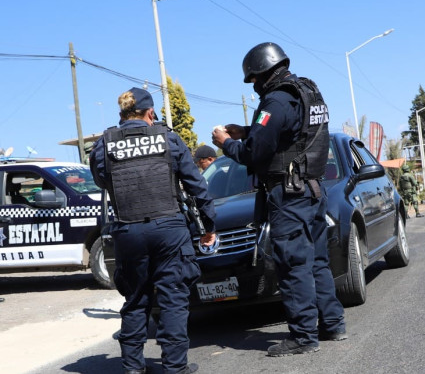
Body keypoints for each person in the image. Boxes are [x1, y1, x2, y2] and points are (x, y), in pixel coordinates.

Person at [211, 42, 346, 357]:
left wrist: (226, 143)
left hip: (288, 194)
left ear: (263, 73)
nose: (254, 86)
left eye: (254, 80)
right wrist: (248, 130)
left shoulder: (276, 100)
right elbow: (291, 135)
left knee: (292, 264)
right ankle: (332, 324)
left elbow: (254, 154)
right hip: (312, 189)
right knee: (317, 261)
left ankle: (303, 336)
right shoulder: (306, 92)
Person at [89, 87, 216, 374]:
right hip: (169, 228)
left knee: (135, 300)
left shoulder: (104, 143)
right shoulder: (167, 138)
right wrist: (208, 227)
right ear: (149, 113)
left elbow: (101, 181)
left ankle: (133, 368)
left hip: (128, 230)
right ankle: (174, 368)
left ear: (121, 115)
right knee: (173, 299)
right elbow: (197, 187)